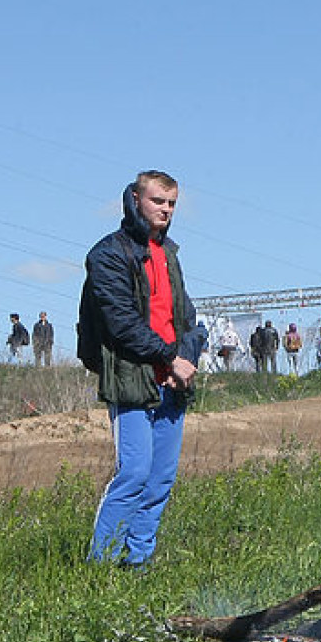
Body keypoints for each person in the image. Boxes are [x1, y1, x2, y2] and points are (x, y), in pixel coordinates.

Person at [83, 170, 204, 568]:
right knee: (133, 474)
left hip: (173, 382)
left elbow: (186, 316)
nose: (166, 210)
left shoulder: (169, 253)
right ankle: (100, 569)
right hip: (132, 380)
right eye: (158, 201)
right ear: (136, 199)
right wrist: (169, 358)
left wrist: (183, 359)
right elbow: (121, 323)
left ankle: (136, 565)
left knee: (159, 481)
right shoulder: (108, 254)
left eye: (171, 203)